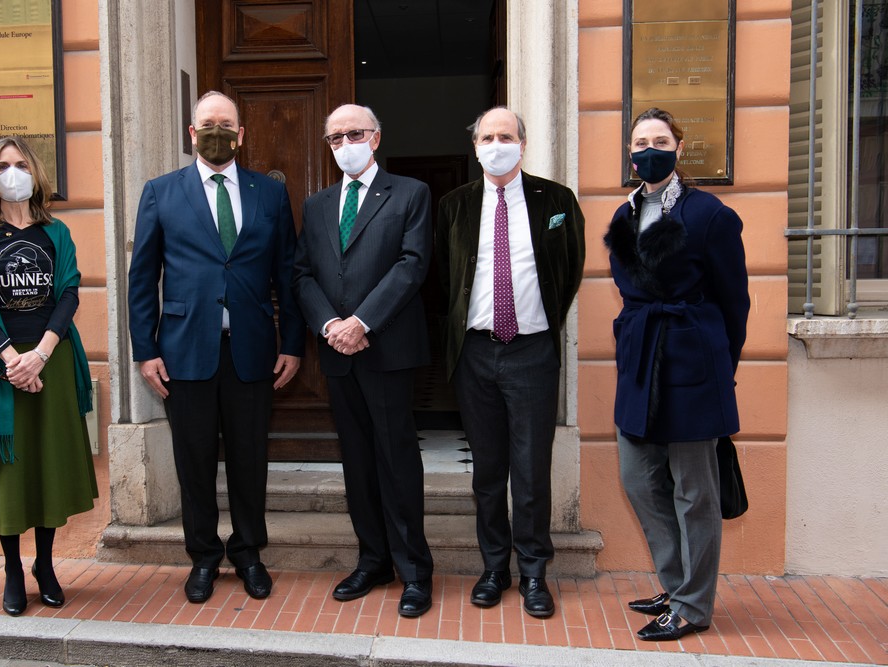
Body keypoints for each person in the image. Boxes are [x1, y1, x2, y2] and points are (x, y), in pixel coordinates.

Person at [128, 91, 305, 604]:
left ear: (241, 134)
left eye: (227, 124)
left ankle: (249, 552)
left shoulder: (269, 194)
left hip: (252, 350)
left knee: (251, 461)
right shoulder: (161, 192)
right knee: (195, 462)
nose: (217, 132)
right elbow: (143, 277)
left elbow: (287, 275)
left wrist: (292, 342)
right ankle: (203, 556)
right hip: (183, 352)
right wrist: (146, 349)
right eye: (208, 124)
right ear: (192, 133)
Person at [604, 107, 750, 641]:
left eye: (660, 140)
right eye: (640, 141)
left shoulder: (710, 214)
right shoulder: (624, 215)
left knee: (695, 490)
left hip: (693, 360)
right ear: (630, 152)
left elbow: (735, 300)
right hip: (641, 358)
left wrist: (719, 364)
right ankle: (676, 581)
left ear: (678, 149)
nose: (649, 149)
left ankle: (692, 605)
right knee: (638, 478)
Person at [436, 107, 585, 618]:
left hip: (531, 351)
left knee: (530, 468)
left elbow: (569, 270)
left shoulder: (556, 200)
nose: (496, 143)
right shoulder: (454, 205)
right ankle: (494, 567)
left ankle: (535, 573)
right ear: (474, 145)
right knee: (488, 470)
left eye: (506, 135)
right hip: (475, 352)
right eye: (487, 136)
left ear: (523, 143)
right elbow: (442, 280)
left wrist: (538, 321)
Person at [292, 104, 435, 618]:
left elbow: (412, 265)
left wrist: (362, 322)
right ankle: (373, 560)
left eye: (354, 133)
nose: (345, 143)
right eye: (334, 138)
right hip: (338, 354)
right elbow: (303, 274)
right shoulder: (318, 203)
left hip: (388, 350)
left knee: (397, 462)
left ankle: (415, 570)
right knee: (357, 463)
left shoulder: (410, 194)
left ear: (375, 138)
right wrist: (331, 325)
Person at [0, 136, 98, 617]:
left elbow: (69, 294)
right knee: (11, 474)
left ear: (35, 172)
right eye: (2, 166)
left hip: (51, 363)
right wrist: (12, 358)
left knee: (47, 465)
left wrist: (40, 355)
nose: (11, 173)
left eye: (19, 164)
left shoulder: (56, 233)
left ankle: (46, 565)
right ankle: (14, 570)